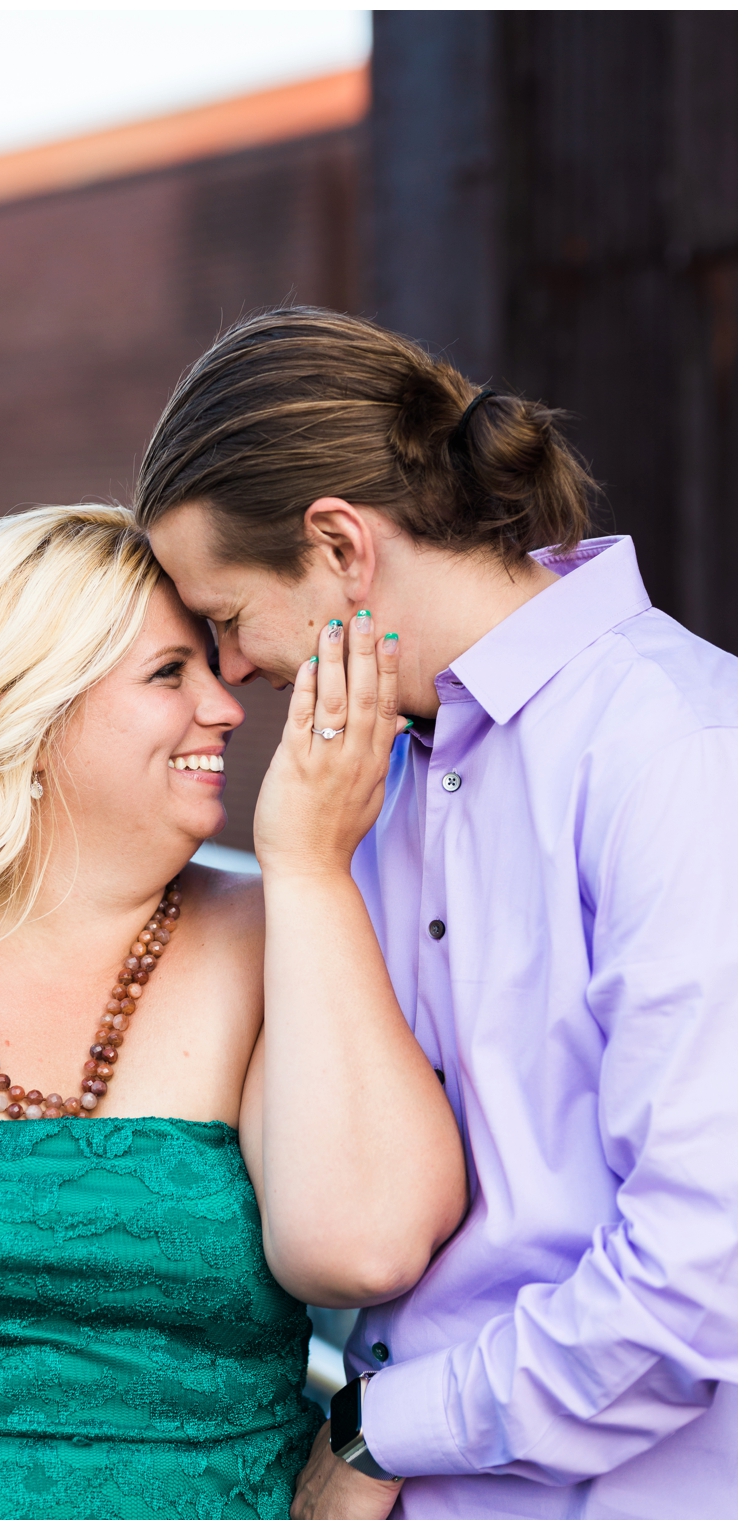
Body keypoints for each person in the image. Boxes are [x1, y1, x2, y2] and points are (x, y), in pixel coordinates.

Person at [0, 504, 465, 1518]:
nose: (225, 708)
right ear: (23, 716)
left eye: (211, 667)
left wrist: (306, 867)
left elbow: (366, 1245)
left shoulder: (285, 938)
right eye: (169, 674)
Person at [135, 307, 737, 1519]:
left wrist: (379, 1437)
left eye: (228, 618)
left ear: (338, 545)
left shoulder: (680, 753)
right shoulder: (367, 789)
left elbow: (700, 1278)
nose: (235, 672)